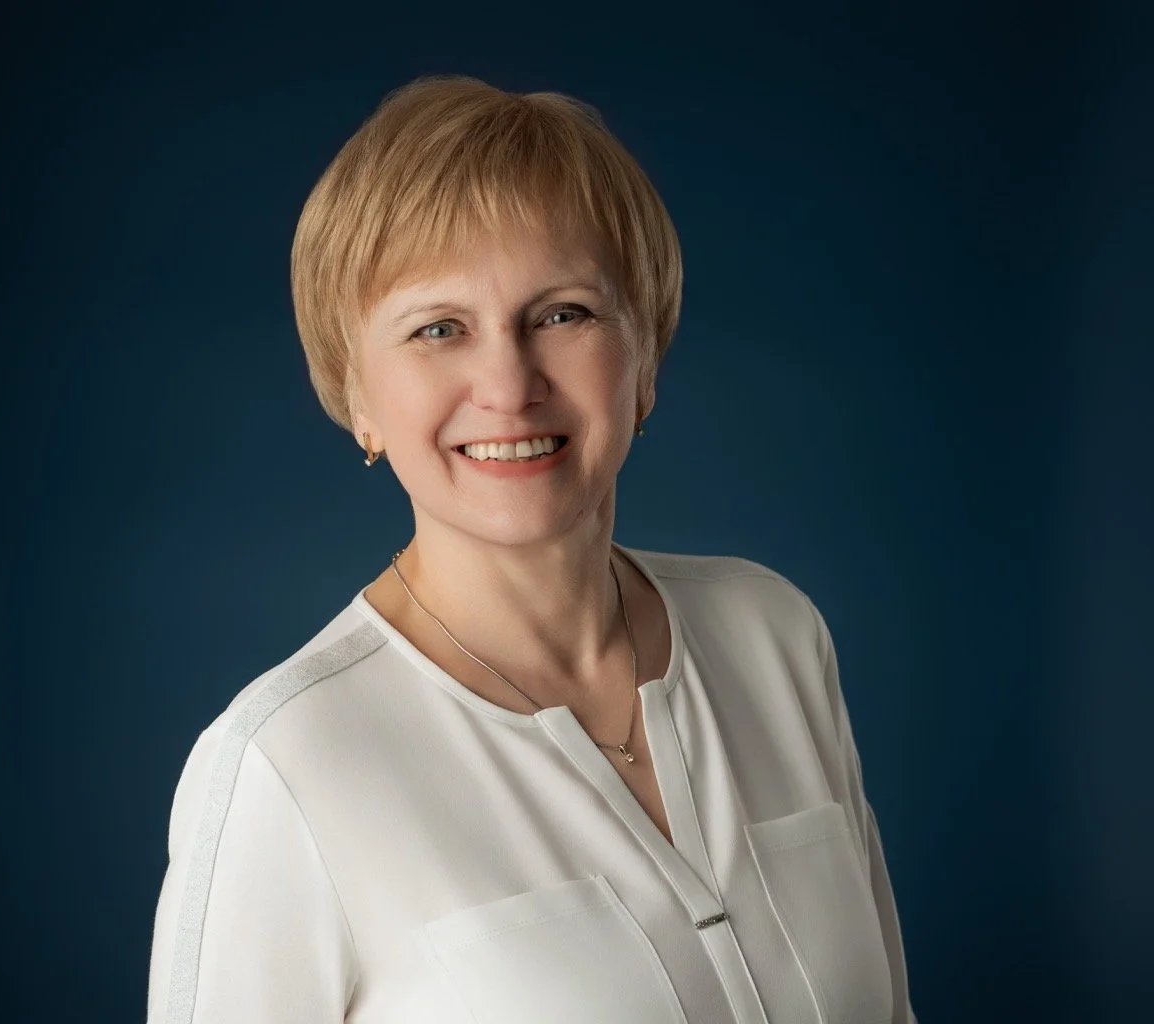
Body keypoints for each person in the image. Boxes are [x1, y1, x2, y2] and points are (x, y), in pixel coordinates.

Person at [146, 74, 918, 1024]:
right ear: (356, 398)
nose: (508, 385)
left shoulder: (775, 634)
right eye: (439, 329)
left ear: (645, 350)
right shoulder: (286, 762)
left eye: (564, 314)